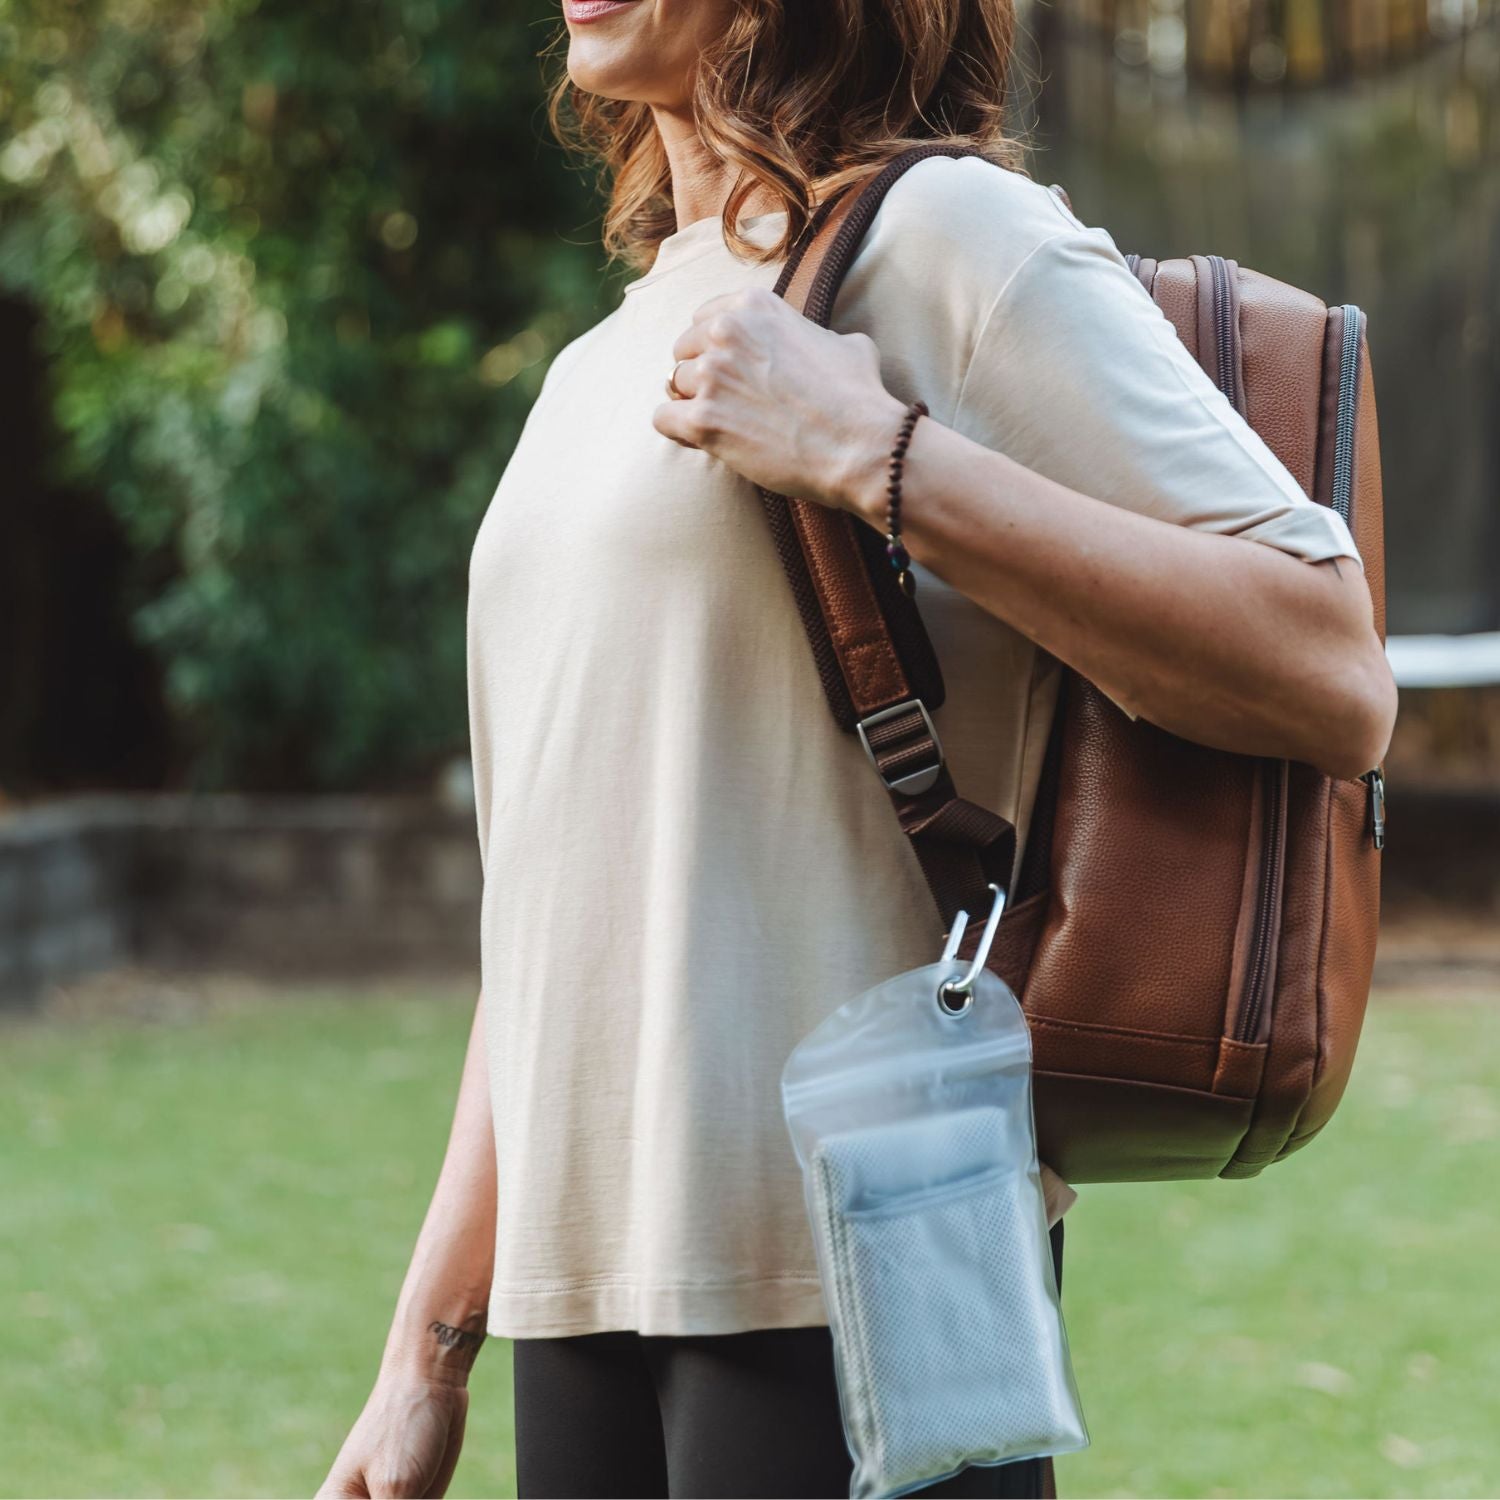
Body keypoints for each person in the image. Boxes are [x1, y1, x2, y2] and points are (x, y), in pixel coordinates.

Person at [317, 0, 1397, 1496]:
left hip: (866, 1268)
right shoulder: (593, 365)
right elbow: (553, 916)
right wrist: (424, 1354)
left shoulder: (948, 235)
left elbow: (1331, 660)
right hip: (585, 1308)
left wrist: (880, 460)